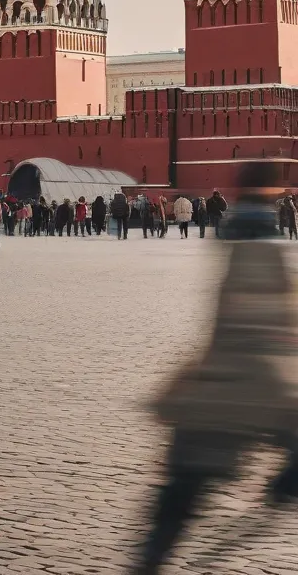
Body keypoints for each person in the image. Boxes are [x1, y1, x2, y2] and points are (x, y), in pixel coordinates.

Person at [132, 160, 298, 573]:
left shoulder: (236, 241)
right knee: (182, 492)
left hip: (213, 390)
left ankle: (149, 562)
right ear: (273, 193)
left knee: (179, 497)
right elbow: (262, 337)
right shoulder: (263, 251)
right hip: (245, 391)